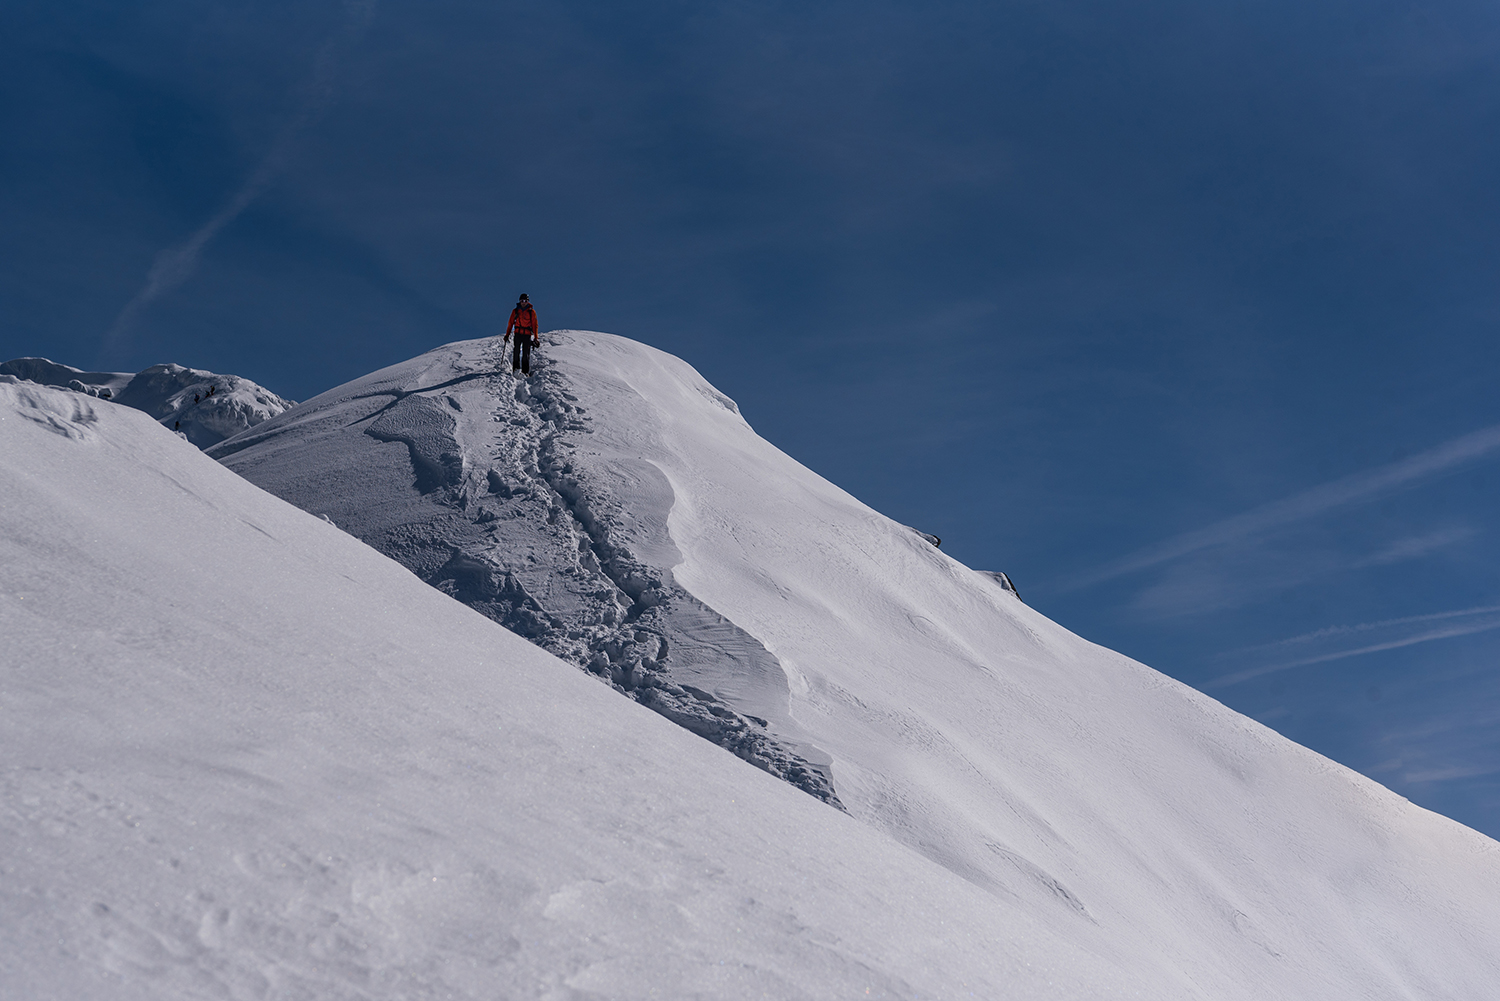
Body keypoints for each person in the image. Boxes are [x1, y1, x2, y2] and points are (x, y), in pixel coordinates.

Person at [504, 293, 539, 375]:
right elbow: (510, 323)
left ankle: (525, 372)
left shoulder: (531, 312)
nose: (524, 302)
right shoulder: (515, 311)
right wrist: (507, 335)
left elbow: (535, 325)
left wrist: (536, 337)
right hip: (518, 334)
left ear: (528, 301)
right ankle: (516, 370)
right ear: (520, 301)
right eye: (522, 300)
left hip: (527, 335)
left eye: (525, 301)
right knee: (516, 352)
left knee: (525, 353)